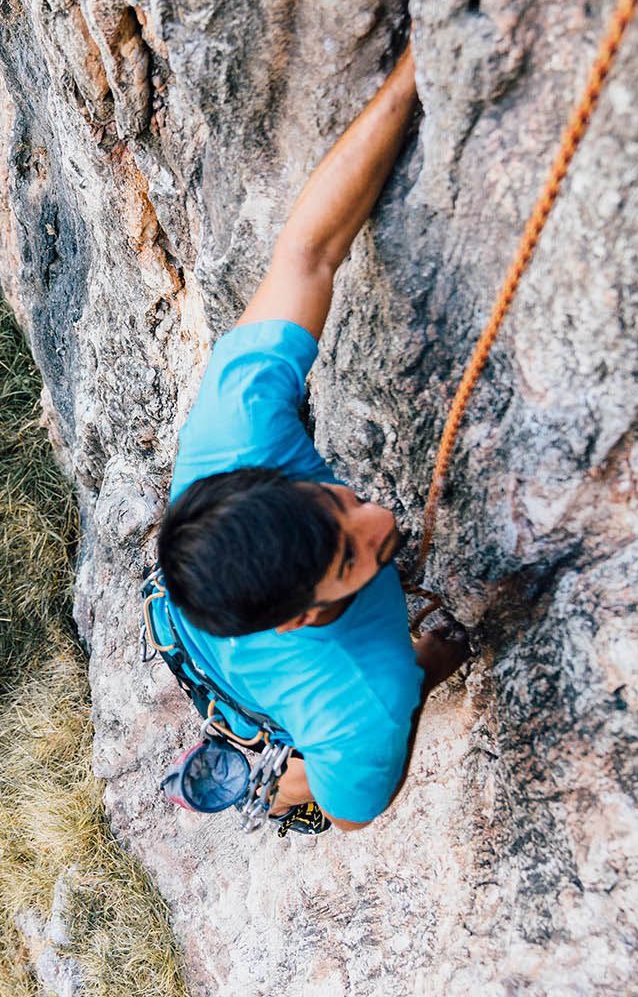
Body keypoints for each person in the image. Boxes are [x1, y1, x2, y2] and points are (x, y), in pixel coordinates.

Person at [156, 44, 470, 833]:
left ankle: (240, 743)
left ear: (269, 477)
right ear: (301, 616)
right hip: (290, 689)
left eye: (337, 503)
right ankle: (270, 783)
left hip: (200, 622)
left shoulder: (239, 428)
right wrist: (420, 676)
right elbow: (350, 815)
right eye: (351, 560)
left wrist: (420, 65)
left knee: (258, 700)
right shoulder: (361, 698)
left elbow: (309, 252)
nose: (380, 519)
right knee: (299, 779)